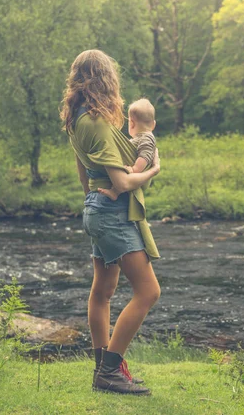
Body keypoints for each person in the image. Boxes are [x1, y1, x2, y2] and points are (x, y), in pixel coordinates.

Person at [59, 50, 161, 396]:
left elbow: (82, 170)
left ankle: (102, 369)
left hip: (97, 210)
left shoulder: (77, 118)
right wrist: (152, 170)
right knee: (148, 291)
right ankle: (109, 371)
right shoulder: (99, 124)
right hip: (111, 215)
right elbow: (122, 183)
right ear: (106, 80)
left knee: (102, 292)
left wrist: (91, 199)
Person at [97, 98, 157, 201]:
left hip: (137, 172)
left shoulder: (147, 137)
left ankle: (115, 192)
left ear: (132, 123)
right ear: (153, 124)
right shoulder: (141, 137)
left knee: (121, 181)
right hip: (134, 172)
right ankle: (115, 191)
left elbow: (145, 156)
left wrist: (134, 169)